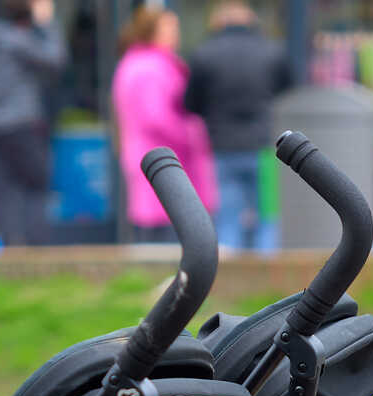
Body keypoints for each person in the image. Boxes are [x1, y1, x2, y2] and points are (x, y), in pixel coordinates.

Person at [0, 0, 65, 246]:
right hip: (22, 122)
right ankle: (39, 249)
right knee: (35, 185)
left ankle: (10, 245)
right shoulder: (16, 40)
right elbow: (55, 59)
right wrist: (47, 24)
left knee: (3, 187)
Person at [184, 2, 290, 251]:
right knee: (268, 215)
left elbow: (190, 103)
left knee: (228, 216)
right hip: (265, 146)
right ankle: (268, 274)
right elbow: (288, 92)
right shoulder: (272, 51)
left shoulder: (203, 53)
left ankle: (229, 273)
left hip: (222, 145)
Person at [111, 7, 217, 242]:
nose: (176, 33)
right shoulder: (151, 68)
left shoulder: (136, 63)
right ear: (152, 31)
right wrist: (192, 134)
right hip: (166, 162)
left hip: (153, 158)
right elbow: (156, 117)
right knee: (171, 237)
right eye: (170, 27)